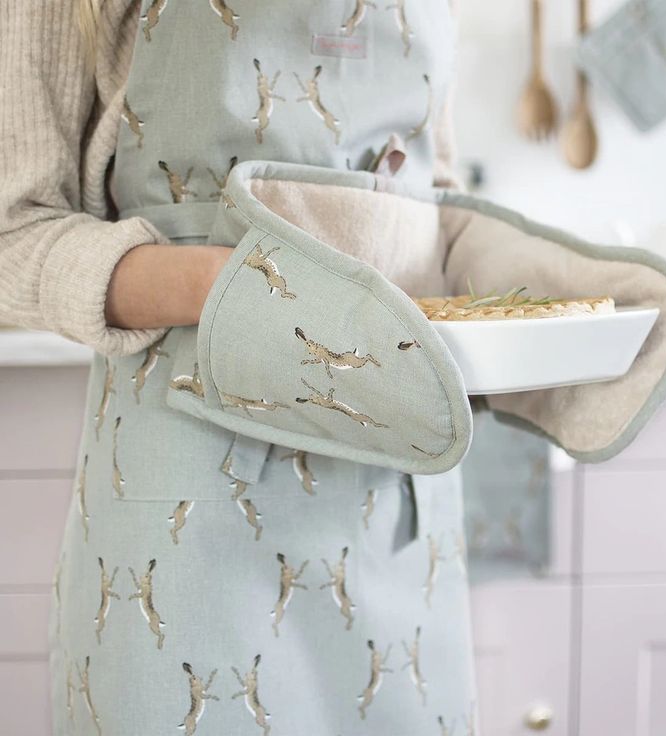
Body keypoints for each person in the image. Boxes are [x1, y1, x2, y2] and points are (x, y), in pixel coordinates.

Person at [1, 1, 483, 734]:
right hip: (195, 505)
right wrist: (248, 287)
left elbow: (434, 200)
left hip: (397, 491)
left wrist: (523, 279)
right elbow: (15, 234)